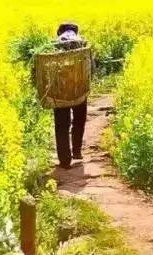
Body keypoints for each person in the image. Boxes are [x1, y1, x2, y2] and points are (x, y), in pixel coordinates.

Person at [52, 22, 88, 169]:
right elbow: (90, 69)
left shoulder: (54, 45)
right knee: (79, 119)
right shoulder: (83, 44)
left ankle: (64, 160)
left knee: (61, 125)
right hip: (79, 89)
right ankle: (77, 151)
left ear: (59, 32)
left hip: (60, 91)